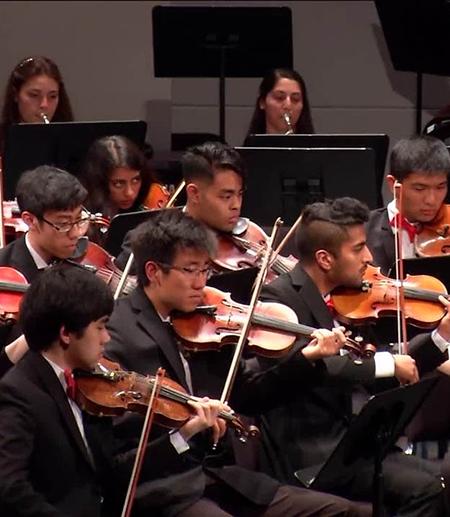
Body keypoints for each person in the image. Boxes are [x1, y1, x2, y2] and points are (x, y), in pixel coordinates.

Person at [105, 209, 371, 517]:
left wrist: (306, 358)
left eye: (206, 270)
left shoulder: (206, 321)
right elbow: (121, 446)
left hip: (219, 478)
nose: (200, 283)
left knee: (342, 511)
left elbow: (250, 395)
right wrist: (188, 429)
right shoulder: (118, 334)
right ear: (153, 271)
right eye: (190, 270)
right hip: (164, 488)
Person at [257, 197, 450, 516]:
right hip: (315, 453)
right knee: (425, 489)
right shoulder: (280, 299)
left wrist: (440, 336)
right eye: (358, 248)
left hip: (353, 441)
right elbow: (325, 367)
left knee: (440, 478)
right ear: (324, 259)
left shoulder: (341, 298)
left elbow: (379, 363)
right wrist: (388, 363)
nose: (370, 257)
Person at [0, 263, 231, 516]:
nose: (106, 338)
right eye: (100, 327)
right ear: (66, 333)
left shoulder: (86, 386)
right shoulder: (19, 393)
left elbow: (115, 471)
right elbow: (9, 488)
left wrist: (185, 433)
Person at [0, 165, 90, 347]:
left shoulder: (83, 260)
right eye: (64, 224)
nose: (75, 233)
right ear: (30, 220)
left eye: (79, 219)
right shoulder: (4, 268)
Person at [366, 135, 450, 275]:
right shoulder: (363, 231)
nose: (431, 200)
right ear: (393, 185)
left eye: (440, 187)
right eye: (419, 189)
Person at [79, 135, 153, 244]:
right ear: (100, 183)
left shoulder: (143, 213)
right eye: (118, 184)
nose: (129, 193)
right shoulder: (82, 224)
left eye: (135, 180)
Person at [0, 55, 73, 151]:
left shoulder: (70, 142)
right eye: (34, 95)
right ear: (15, 95)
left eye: (52, 96)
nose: (44, 105)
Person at [245, 68, 314, 139]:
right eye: (279, 97)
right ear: (262, 102)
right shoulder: (246, 149)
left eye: (295, 99)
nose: (288, 105)